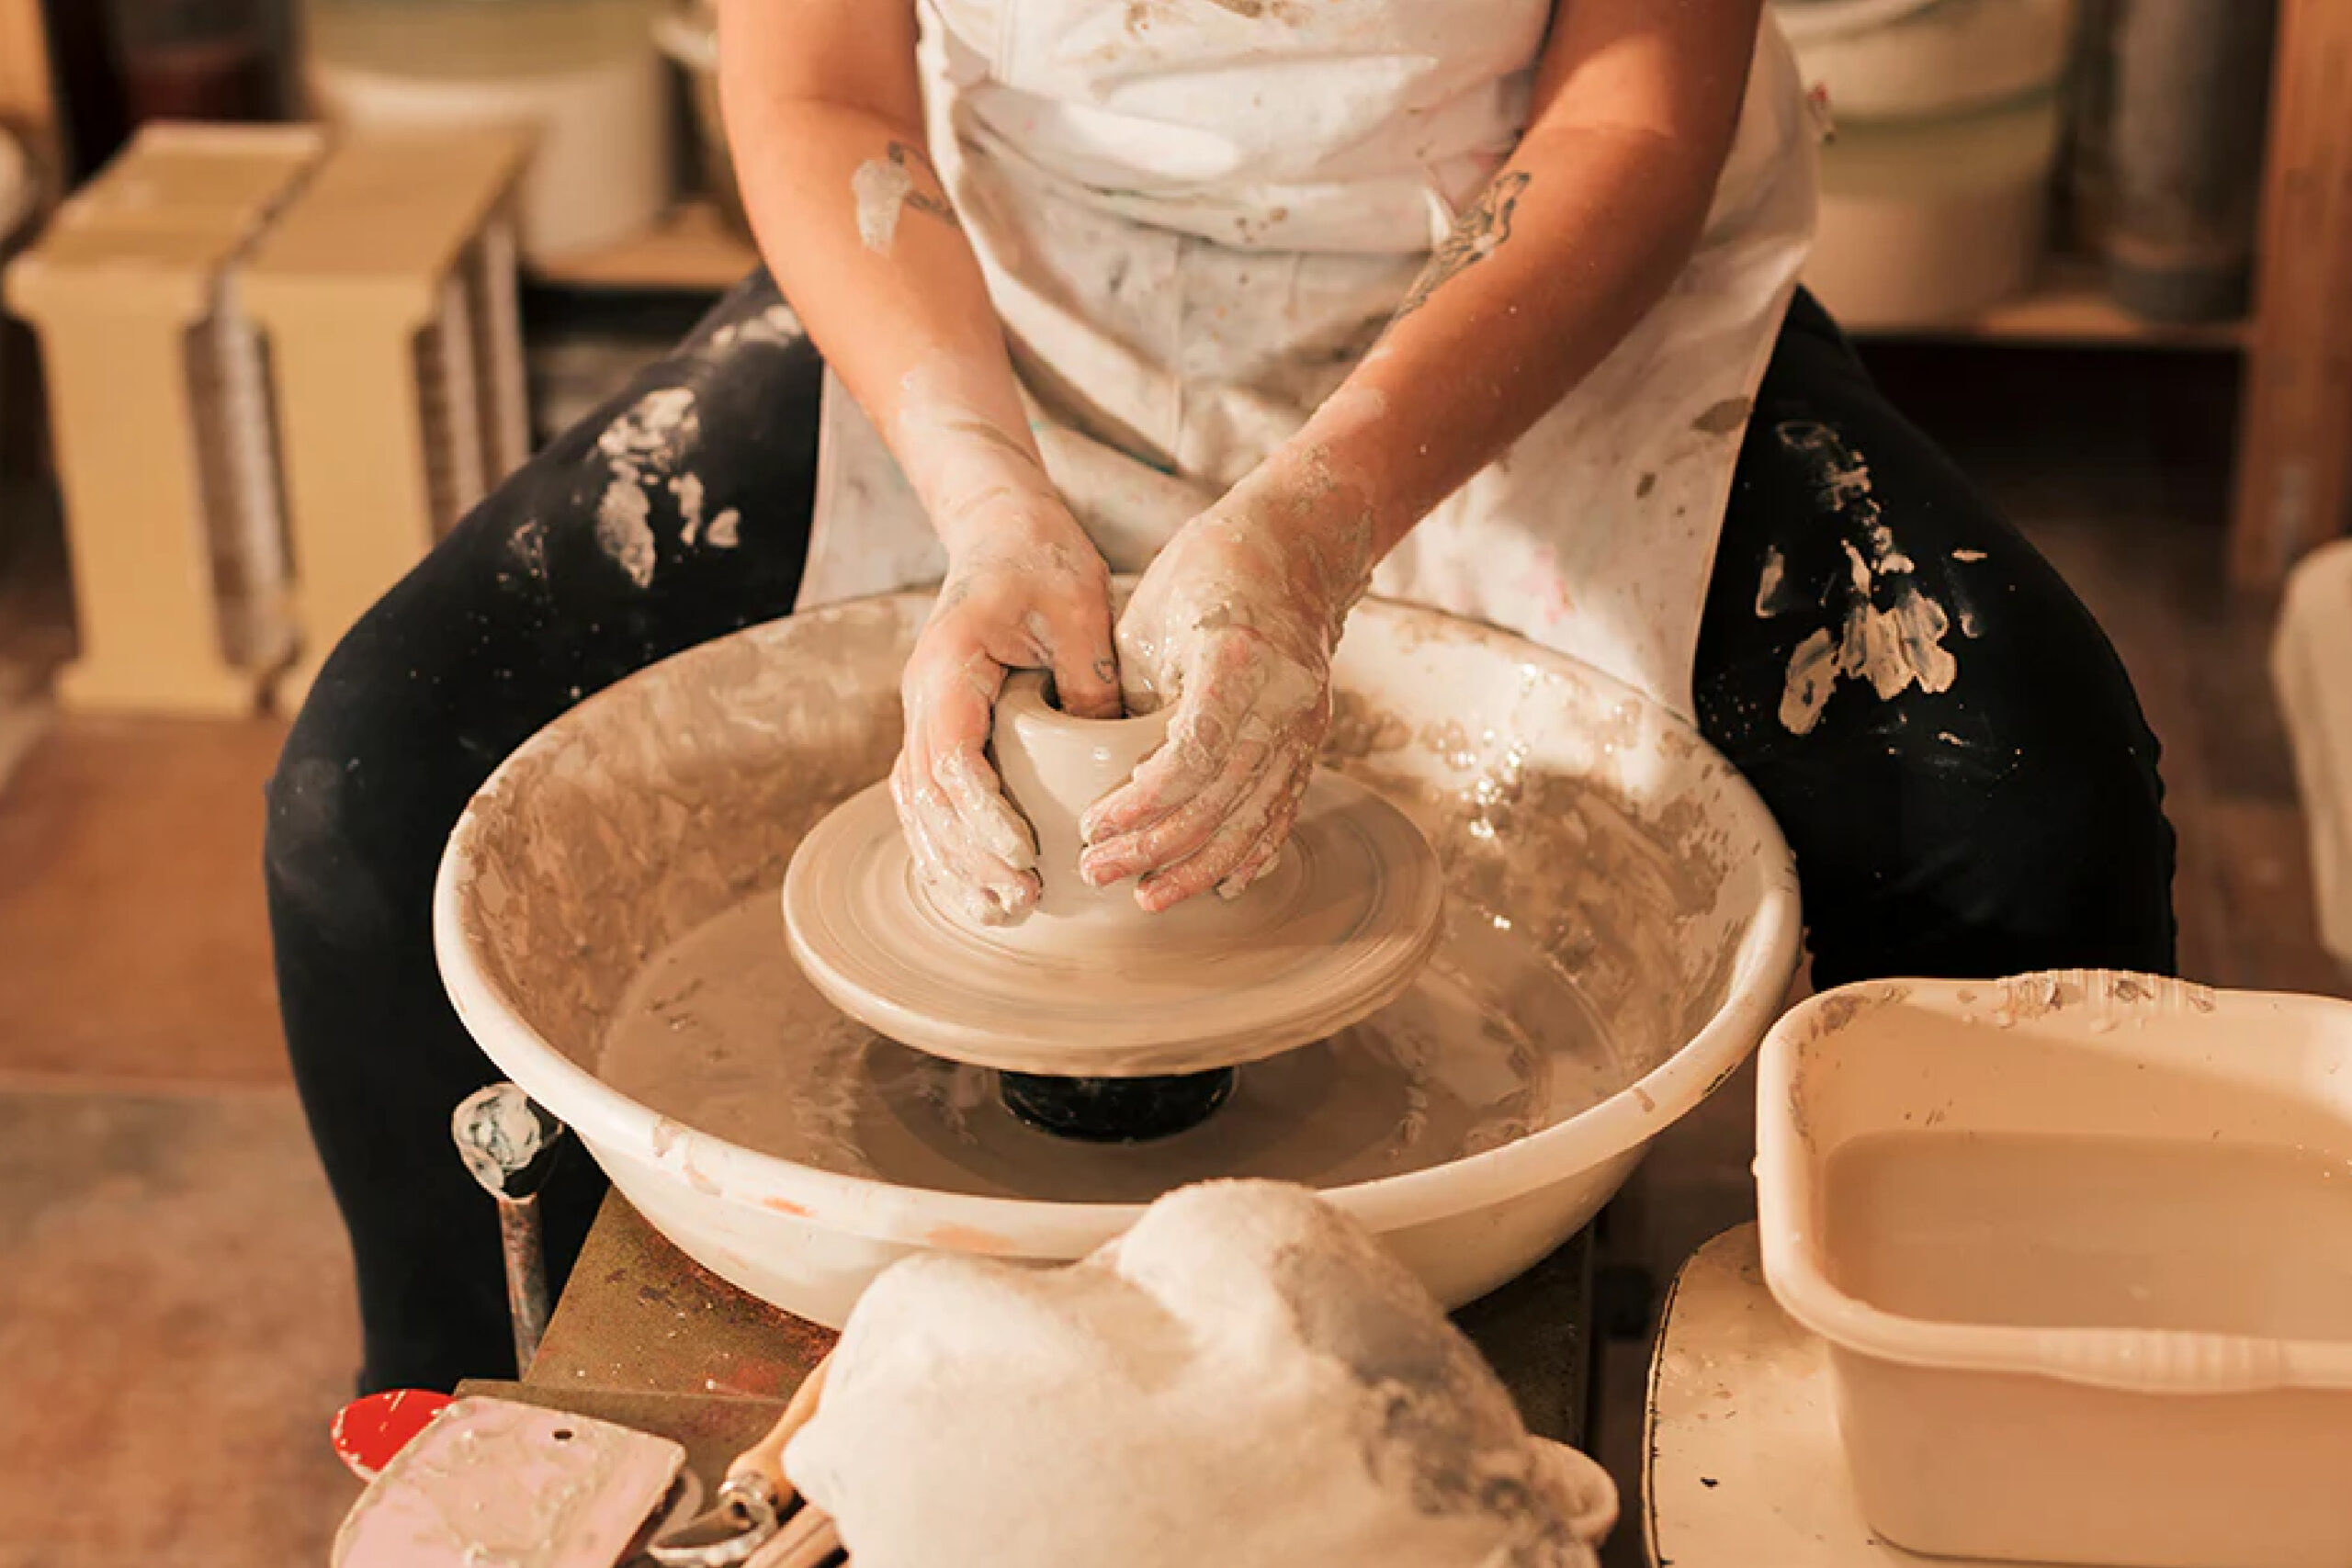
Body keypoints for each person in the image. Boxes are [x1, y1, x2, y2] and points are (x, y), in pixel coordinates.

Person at [266, 0, 2176, 1394]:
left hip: (1519, 278)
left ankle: (1899, 1460)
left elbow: (1632, 108)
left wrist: (1321, 518)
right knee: (379, 782)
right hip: (991, 284)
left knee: (2019, 814)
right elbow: (819, 79)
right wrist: (979, 485)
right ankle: (473, 1448)